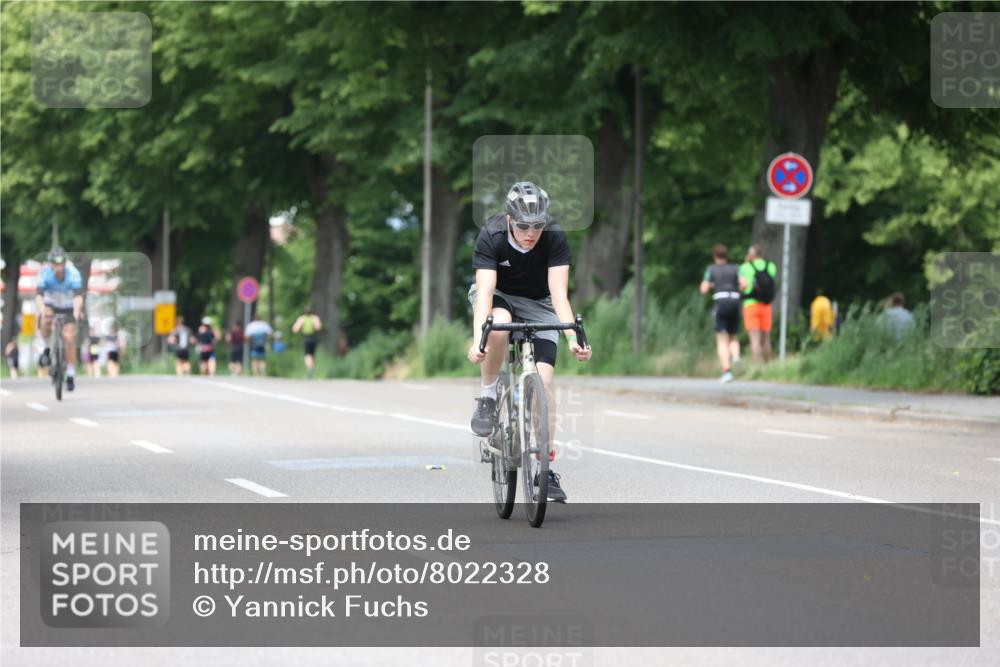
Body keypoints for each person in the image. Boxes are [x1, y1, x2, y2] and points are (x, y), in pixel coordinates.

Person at [467, 181, 593, 504]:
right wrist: (478, 338)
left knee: (544, 385)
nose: (531, 232)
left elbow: (559, 295)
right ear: (509, 219)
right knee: (499, 326)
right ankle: (488, 395)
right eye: (523, 225)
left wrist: (572, 339)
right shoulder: (492, 234)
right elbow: (483, 293)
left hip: (540, 303)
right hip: (500, 297)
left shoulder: (553, 236)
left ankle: (545, 469)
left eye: (537, 225)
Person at [36, 247, 84, 392]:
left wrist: (76, 312)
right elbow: (39, 296)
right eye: (55, 263)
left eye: (61, 263)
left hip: (69, 305)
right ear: (50, 263)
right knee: (45, 320)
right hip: (51, 304)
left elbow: (78, 297)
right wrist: (43, 311)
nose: (58, 266)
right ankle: (46, 348)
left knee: (69, 338)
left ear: (65, 262)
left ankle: (70, 374)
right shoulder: (45, 273)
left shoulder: (74, 273)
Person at [699, 243, 741, 383]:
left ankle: (727, 372)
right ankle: (736, 356)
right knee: (733, 336)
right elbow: (744, 284)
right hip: (735, 301)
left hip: (721, 303)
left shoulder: (711, 269)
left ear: (714, 256)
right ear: (726, 255)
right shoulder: (736, 268)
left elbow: (703, 289)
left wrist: (711, 285)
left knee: (722, 340)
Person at [738, 244, 777, 365]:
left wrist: (746, 262)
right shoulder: (770, 266)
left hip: (750, 305)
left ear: (750, 255)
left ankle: (757, 368)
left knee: (755, 339)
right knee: (766, 339)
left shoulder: (744, 267)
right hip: (766, 305)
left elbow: (742, 285)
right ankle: (768, 367)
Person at [292, 307, 322, 378]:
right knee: (312, 355)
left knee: (307, 355)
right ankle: (311, 369)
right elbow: (318, 328)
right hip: (314, 338)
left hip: (306, 338)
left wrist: (301, 327)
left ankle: (309, 369)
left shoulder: (302, 318)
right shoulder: (315, 318)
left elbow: (295, 329)